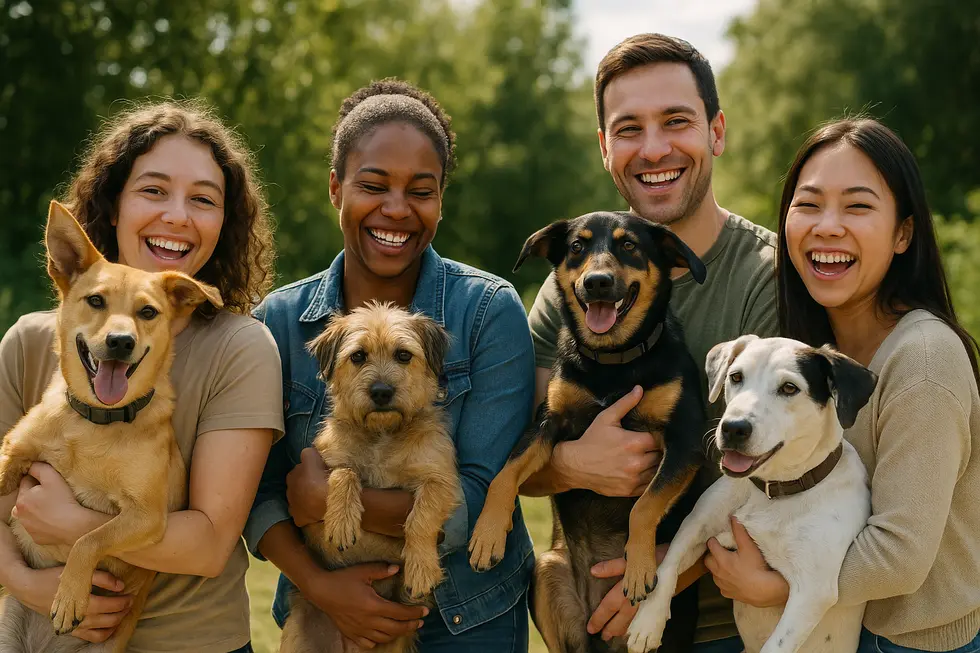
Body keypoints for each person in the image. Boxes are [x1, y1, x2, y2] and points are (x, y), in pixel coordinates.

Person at [244, 78, 536, 652]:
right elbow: (257, 493)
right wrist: (321, 589)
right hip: (320, 606)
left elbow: (476, 497)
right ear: (336, 188)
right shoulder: (277, 321)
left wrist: (328, 500)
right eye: (373, 185)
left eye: (421, 191)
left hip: (470, 617)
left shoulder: (487, 311)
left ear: (441, 199)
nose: (397, 209)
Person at [519, 33, 777, 652]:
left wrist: (665, 576)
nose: (654, 148)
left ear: (716, 132)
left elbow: (786, 478)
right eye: (629, 129)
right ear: (605, 147)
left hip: (728, 627)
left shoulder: (768, 277)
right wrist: (574, 464)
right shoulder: (572, 286)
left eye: (676, 121)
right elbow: (516, 459)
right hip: (580, 605)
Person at [0, 100, 284, 653]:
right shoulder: (29, 342)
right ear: (113, 205)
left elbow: (208, 545)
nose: (177, 215)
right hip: (28, 626)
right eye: (153, 190)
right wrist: (23, 581)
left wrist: (72, 526)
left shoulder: (242, 348)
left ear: (224, 223)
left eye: (203, 199)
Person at [705, 117, 980, 652]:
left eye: (857, 206)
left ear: (903, 234)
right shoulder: (808, 357)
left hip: (910, 642)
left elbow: (900, 554)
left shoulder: (924, 361)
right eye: (809, 204)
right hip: (837, 631)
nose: (828, 226)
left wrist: (777, 588)